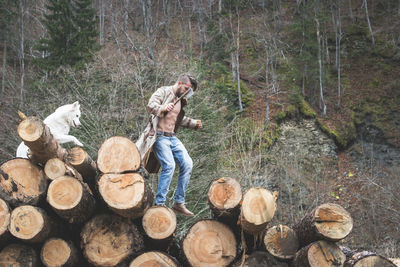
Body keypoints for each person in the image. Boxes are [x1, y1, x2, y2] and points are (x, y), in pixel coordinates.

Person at [136, 74, 202, 216]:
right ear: (179, 83)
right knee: (169, 166)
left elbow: (177, 118)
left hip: (172, 137)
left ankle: (179, 203)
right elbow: (151, 105)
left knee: (188, 164)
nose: (186, 92)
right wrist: (162, 108)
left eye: (189, 91)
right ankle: (160, 204)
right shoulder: (163, 91)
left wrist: (192, 123)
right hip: (158, 136)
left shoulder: (181, 100)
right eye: (186, 88)